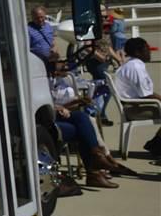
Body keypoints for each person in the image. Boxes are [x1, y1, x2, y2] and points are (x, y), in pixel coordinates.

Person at [48, 58, 124, 187]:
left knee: (83, 119)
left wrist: (74, 103)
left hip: (59, 115)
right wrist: (57, 108)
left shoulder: (60, 80)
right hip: (46, 120)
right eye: (60, 61)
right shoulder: (42, 82)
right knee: (85, 123)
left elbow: (61, 104)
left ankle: (99, 162)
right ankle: (97, 166)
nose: (66, 64)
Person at [116, 37, 161, 157]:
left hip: (133, 105)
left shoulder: (132, 64)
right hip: (133, 109)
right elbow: (146, 94)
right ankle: (156, 144)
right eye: (147, 50)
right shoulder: (135, 67)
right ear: (137, 52)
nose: (150, 52)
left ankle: (156, 144)